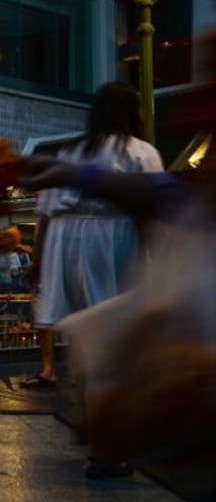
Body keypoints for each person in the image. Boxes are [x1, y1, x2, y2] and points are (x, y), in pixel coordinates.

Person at [24, 82, 164, 480]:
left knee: (85, 339)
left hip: (68, 245)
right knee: (115, 342)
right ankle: (108, 446)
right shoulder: (140, 152)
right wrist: (155, 259)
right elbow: (150, 207)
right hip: (114, 239)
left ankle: (92, 420)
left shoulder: (71, 152)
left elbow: (46, 217)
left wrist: (39, 262)